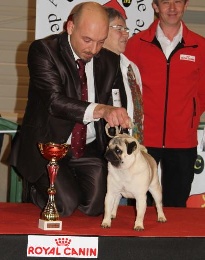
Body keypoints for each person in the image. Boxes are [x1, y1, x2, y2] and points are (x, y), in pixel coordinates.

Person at [10, 1, 131, 216]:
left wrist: (120, 118)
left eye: (101, 42)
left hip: (89, 148)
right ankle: (35, 190)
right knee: (65, 206)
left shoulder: (111, 61)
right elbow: (54, 101)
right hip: (48, 147)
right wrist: (101, 110)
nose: (93, 50)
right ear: (70, 27)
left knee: (97, 207)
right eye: (87, 40)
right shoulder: (44, 50)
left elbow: (115, 102)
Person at [125, 0, 205, 207]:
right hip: (143, 140)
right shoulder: (136, 44)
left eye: (178, 1)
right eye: (166, 2)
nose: (172, 8)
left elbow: (203, 92)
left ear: (185, 6)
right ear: (155, 6)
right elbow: (126, 87)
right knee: (141, 204)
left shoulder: (200, 46)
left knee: (176, 206)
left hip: (182, 140)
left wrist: (190, 117)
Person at [103, 7, 143, 143]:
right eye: (119, 29)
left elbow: (137, 114)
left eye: (126, 30)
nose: (125, 34)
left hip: (130, 147)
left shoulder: (132, 68)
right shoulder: (89, 66)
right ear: (102, 30)